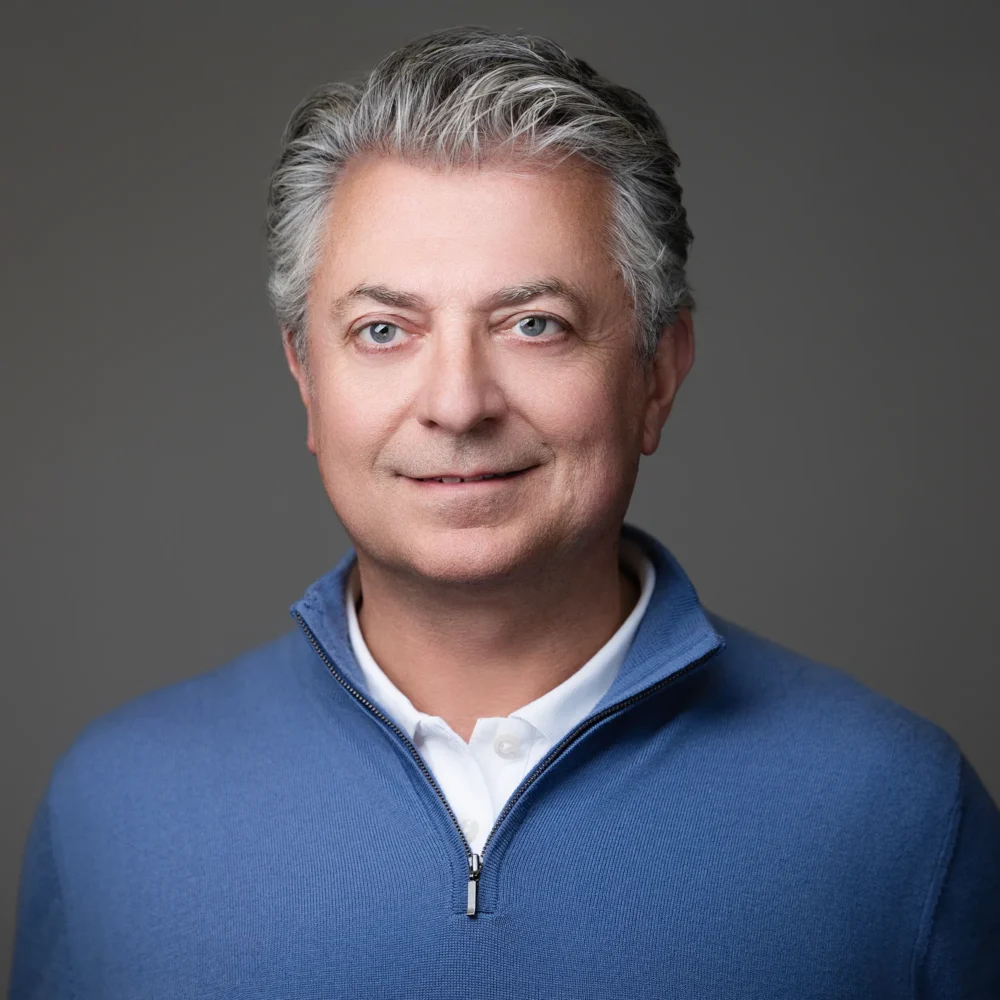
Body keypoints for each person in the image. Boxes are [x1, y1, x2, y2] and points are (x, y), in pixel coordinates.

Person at [9, 24, 1000, 1000]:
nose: (458, 403)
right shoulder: (115, 807)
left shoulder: (897, 810)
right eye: (383, 330)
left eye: (535, 324)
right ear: (307, 379)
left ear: (657, 373)